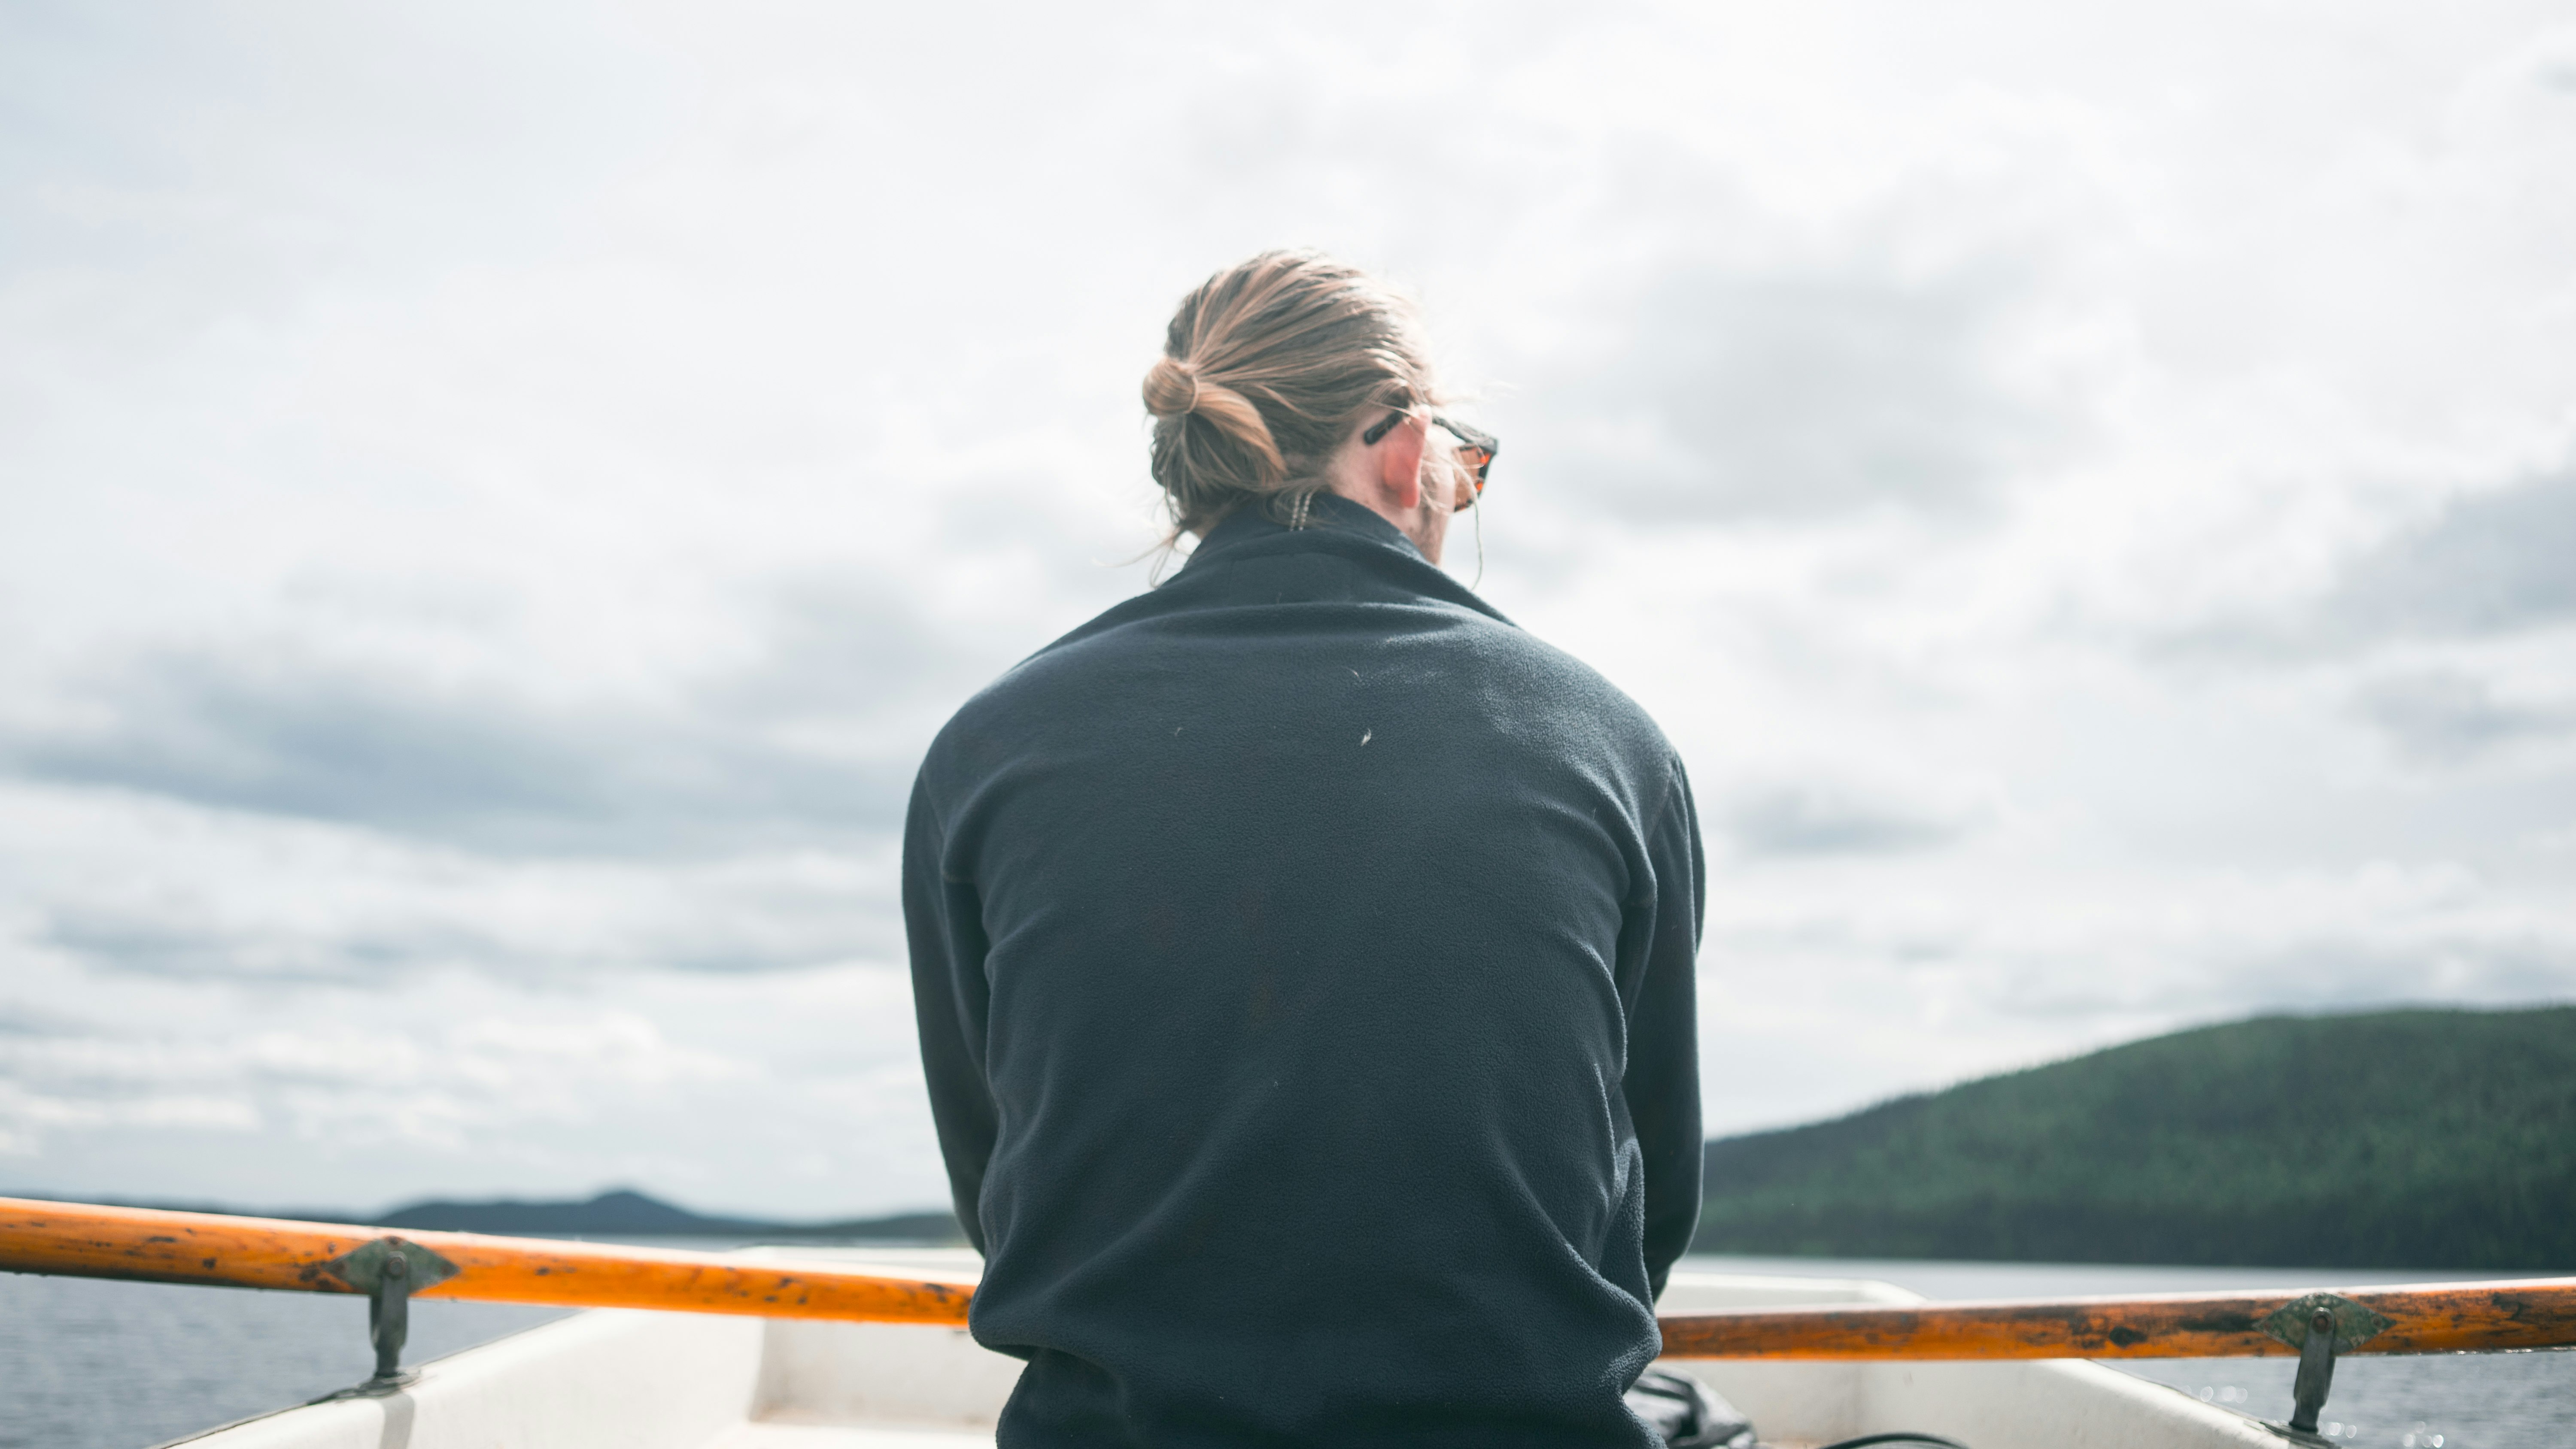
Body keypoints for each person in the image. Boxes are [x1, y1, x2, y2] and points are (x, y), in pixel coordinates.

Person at [904, 250, 1704, 1446]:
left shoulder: (989, 750)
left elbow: (997, 1175)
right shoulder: (1608, 743)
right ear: (1402, 447)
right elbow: (1650, 1197)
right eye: (1460, 471)